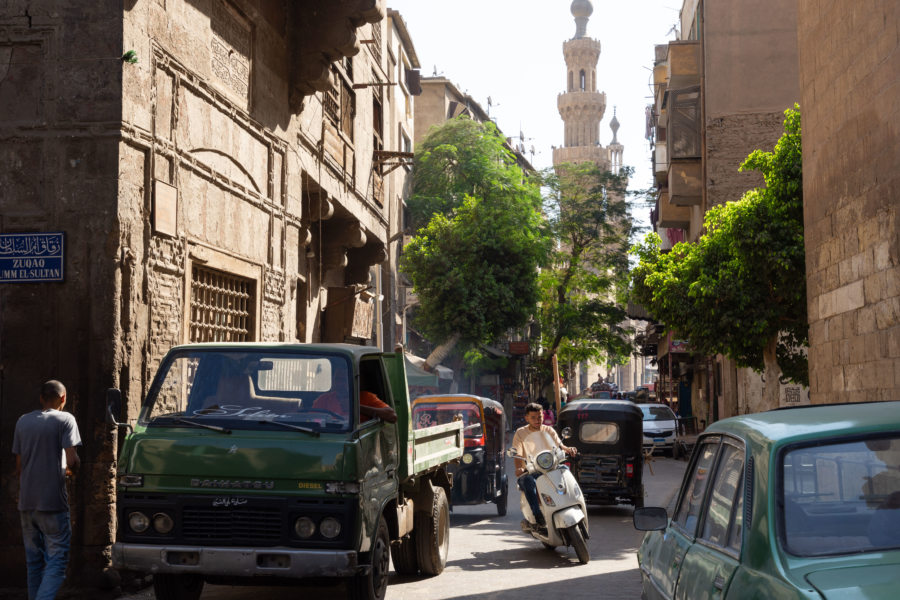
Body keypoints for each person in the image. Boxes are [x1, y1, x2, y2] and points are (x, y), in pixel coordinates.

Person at [12, 380, 82, 600]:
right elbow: (71, 461)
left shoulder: (23, 421)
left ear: (41, 398)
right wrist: (74, 469)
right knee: (57, 561)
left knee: (34, 562)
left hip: (27, 502)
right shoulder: (66, 419)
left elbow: (19, 467)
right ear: (63, 398)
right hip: (52, 502)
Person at [511, 402, 576, 528]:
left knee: (566, 471)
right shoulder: (520, 433)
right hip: (531, 470)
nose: (537, 420)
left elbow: (560, 445)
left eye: (539, 417)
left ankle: (572, 502)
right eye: (533, 417)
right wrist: (519, 468)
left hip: (551, 468)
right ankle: (537, 515)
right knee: (528, 481)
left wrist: (569, 449)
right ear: (527, 418)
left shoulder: (549, 430)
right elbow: (517, 453)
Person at [312, 362, 397, 423]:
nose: (339, 384)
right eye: (337, 379)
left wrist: (356, 407)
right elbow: (311, 419)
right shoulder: (324, 399)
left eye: (344, 380)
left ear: (353, 381)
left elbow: (392, 416)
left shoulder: (366, 397)